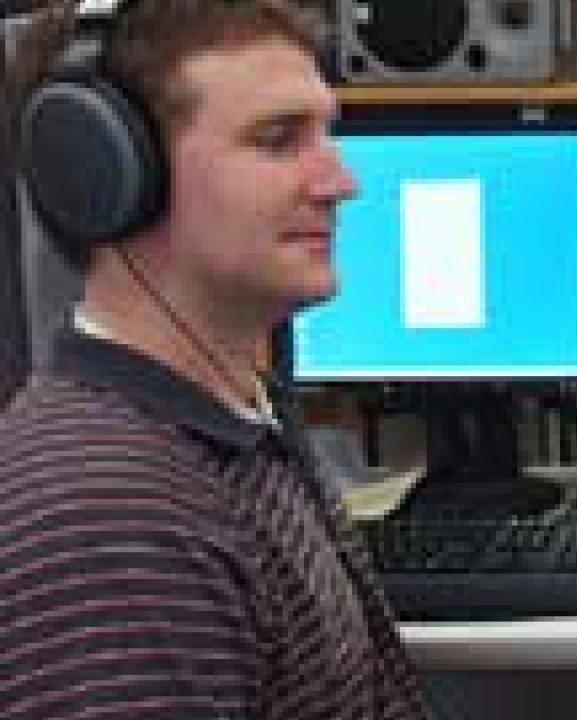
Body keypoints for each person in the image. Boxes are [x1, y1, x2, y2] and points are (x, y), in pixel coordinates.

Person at [0, 1, 430, 717]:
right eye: (278, 139)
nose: (340, 182)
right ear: (106, 171)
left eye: (328, 134)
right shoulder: (103, 520)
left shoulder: (231, 431)